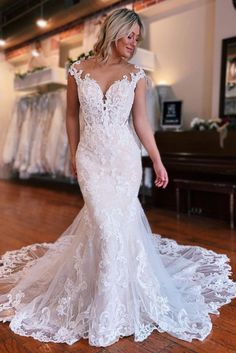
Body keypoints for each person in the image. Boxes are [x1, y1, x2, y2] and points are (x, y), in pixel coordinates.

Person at [0, 7, 236, 348]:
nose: (133, 43)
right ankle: (104, 305)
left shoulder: (136, 75)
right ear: (115, 32)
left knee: (116, 228)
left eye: (137, 39)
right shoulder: (77, 71)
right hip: (92, 160)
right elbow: (70, 115)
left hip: (124, 160)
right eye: (130, 36)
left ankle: (113, 306)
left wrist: (157, 161)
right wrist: (72, 152)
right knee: (106, 228)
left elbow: (141, 123)